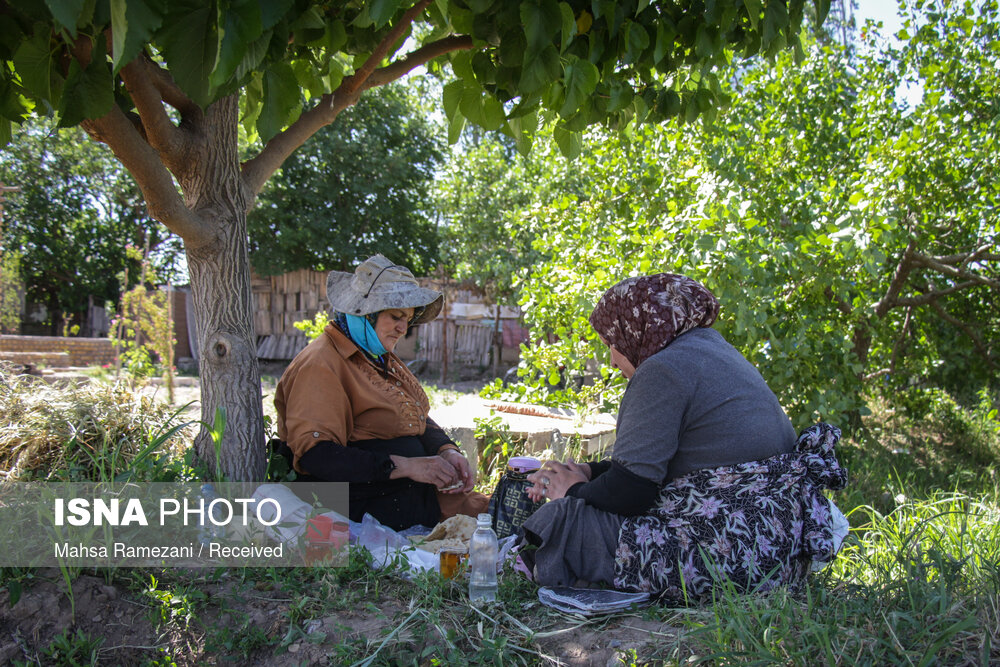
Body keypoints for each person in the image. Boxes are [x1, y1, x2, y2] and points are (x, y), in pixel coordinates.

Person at [518, 273, 847, 601]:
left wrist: (571, 490)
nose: (613, 360)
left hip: (738, 555)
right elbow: (662, 462)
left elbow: (632, 493)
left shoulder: (662, 370)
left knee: (566, 519)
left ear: (638, 329)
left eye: (612, 344)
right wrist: (590, 473)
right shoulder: (712, 349)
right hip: (781, 549)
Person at [274, 254, 488, 531]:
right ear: (366, 313)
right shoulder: (321, 364)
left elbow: (413, 418)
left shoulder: (374, 356)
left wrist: (446, 451)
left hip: (399, 490)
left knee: (490, 511)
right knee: (480, 517)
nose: (403, 328)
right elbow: (318, 457)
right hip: (361, 498)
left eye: (408, 320)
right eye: (396, 317)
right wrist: (408, 466)